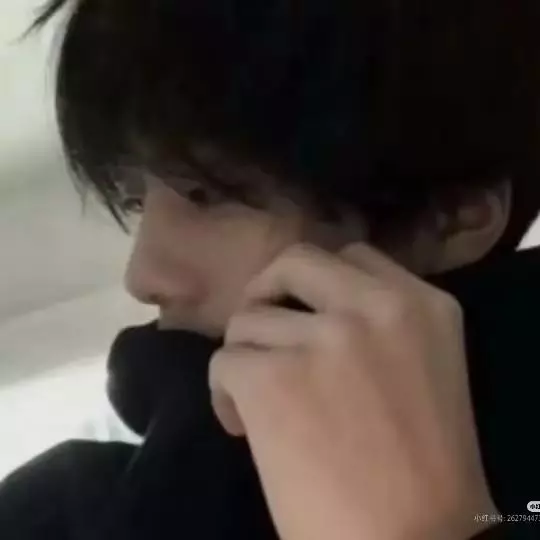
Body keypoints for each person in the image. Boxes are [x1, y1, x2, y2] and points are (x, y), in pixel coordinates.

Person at [1, 0, 540, 538]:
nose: (142, 276)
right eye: (137, 202)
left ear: (451, 219)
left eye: (204, 194)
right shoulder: (56, 518)